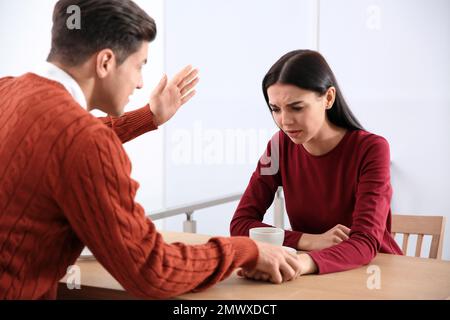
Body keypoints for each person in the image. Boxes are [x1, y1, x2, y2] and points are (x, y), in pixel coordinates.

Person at [0, 0, 303, 299]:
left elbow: (51, 142)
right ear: (105, 62)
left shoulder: (7, 91)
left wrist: (149, 116)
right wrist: (244, 249)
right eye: (139, 65)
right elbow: (153, 270)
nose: (141, 83)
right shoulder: (83, 140)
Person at [230, 49, 403, 278]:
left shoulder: (372, 149)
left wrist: (299, 263)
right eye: (275, 109)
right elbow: (241, 224)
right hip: (314, 276)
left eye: (297, 107)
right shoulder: (278, 147)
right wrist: (309, 241)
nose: (285, 121)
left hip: (373, 273)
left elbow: (365, 242)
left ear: (328, 98)